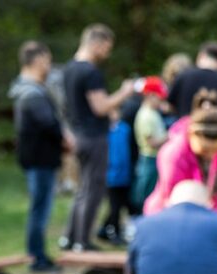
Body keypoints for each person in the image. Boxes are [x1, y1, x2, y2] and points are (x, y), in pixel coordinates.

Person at [60, 24, 134, 251]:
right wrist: (125, 92)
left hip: (77, 134)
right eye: (106, 47)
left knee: (83, 189)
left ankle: (69, 238)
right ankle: (82, 241)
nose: (107, 53)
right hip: (94, 137)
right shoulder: (90, 72)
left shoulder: (69, 69)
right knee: (93, 190)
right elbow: (100, 107)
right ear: (95, 42)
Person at [9, 40, 65, 272]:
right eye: (48, 59)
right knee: (40, 208)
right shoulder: (31, 92)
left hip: (40, 158)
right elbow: (48, 124)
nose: (49, 64)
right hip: (39, 159)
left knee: (41, 207)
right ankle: (37, 257)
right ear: (38, 59)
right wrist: (64, 139)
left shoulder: (30, 89)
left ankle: (39, 253)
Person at [143, 89, 217, 216]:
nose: (211, 155)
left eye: (216, 150)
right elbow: (170, 198)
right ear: (191, 135)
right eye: (205, 150)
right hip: (168, 215)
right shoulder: (173, 154)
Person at [167, 42, 217, 118]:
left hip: (184, 128)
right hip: (216, 128)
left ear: (201, 55)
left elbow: (170, 106)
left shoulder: (183, 76)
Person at [131, 76, 168, 212]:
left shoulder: (154, 113)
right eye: (159, 97)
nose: (161, 101)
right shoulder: (146, 115)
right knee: (146, 195)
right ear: (150, 95)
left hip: (155, 159)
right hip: (149, 159)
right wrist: (170, 136)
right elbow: (151, 142)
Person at [97, 110, 133, 245]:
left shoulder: (125, 129)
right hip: (111, 176)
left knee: (120, 203)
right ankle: (114, 232)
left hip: (125, 174)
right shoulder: (103, 130)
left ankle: (103, 229)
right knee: (115, 206)